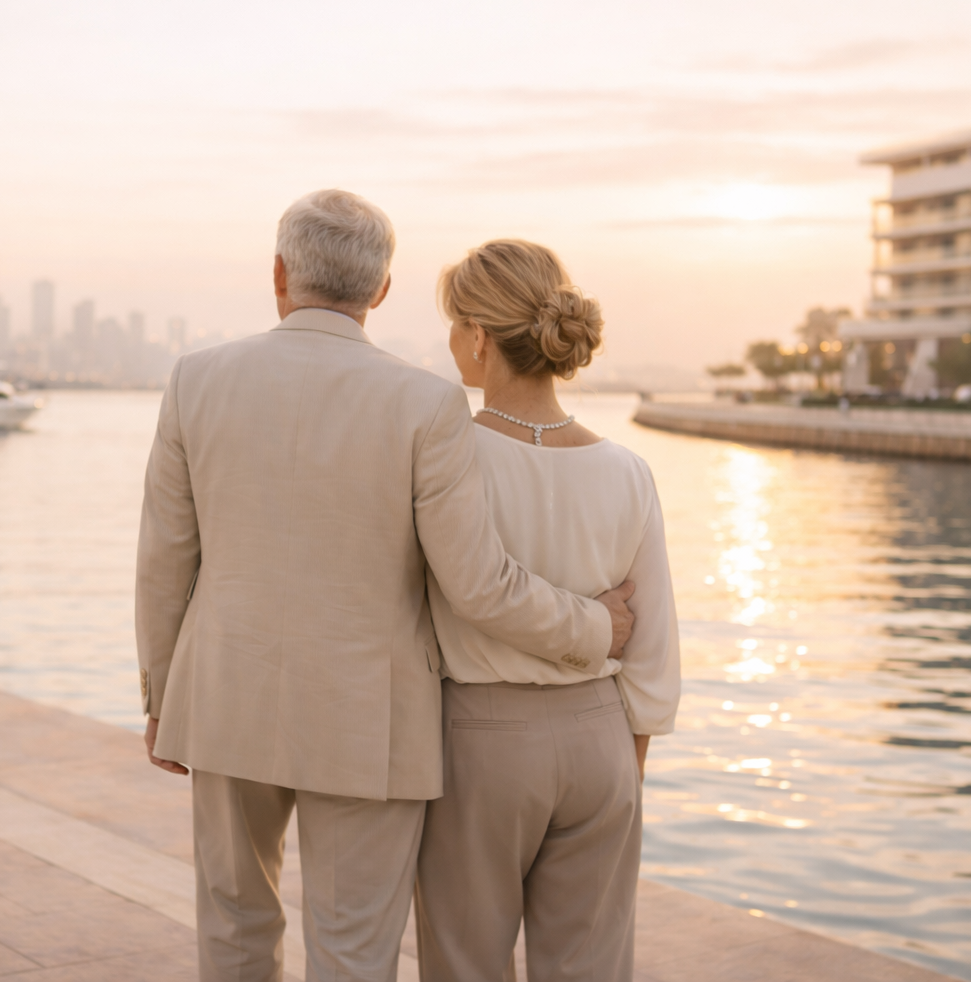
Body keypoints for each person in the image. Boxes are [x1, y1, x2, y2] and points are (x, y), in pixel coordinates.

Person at [135, 190, 639, 982]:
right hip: (369, 720)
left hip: (224, 696)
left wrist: (163, 694)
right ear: (381, 290)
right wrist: (595, 629)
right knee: (353, 949)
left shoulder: (195, 379)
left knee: (231, 925)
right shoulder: (425, 401)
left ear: (278, 275)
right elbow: (476, 583)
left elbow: (166, 556)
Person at [414, 239, 681, 982]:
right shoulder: (629, 471)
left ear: (478, 336)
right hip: (603, 742)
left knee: (465, 966)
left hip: (480, 744)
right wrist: (622, 773)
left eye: (451, 324)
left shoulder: (448, 456)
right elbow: (653, 649)